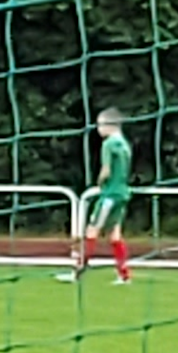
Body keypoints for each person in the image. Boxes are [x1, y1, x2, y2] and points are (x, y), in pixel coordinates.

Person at [78, 108, 135, 281]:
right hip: (123, 192)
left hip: (110, 194)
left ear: (109, 125)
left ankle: (78, 271)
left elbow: (106, 170)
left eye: (100, 124)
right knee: (115, 233)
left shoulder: (108, 144)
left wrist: (99, 182)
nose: (98, 129)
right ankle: (124, 275)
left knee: (92, 230)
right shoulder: (125, 144)